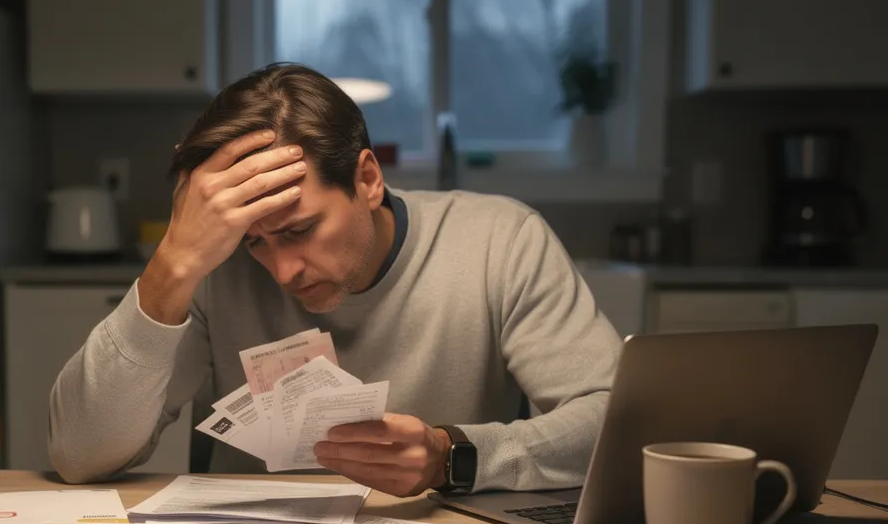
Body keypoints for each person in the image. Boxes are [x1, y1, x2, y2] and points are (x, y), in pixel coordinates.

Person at [48, 63, 622, 498]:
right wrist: (172, 264)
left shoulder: (502, 241)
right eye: (256, 241)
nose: (282, 270)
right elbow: (79, 455)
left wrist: (454, 455)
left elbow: (612, 422)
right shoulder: (211, 265)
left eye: (299, 230)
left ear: (367, 179)